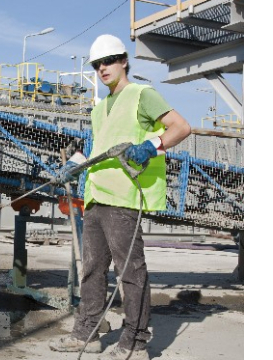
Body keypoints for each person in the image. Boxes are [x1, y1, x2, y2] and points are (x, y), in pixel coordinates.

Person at [48, 34, 192, 360]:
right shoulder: (100, 109)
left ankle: (136, 342)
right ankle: (87, 334)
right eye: (97, 64)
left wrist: (151, 146)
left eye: (108, 61)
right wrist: (72, 166)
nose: (102, 68)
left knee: (130, 272)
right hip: (97, 196)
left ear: (124, 60)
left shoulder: (142, 94)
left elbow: (181, 127)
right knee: (92, 270)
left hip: (125, 197)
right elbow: (97, 148)